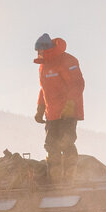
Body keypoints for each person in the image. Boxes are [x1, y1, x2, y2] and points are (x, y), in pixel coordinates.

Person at [33, 33, 85, 184]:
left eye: (40, 51)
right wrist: (40, 109)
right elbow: (44, 89)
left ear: (47, 49)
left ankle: (69, 179)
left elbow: (77, 84)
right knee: (51, 145)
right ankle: (54, 180)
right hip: (52, 114)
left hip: (67, 112)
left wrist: (69, 105)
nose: (38, 54)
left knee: (66, 142)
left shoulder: (67, 60)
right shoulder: (43, 65)